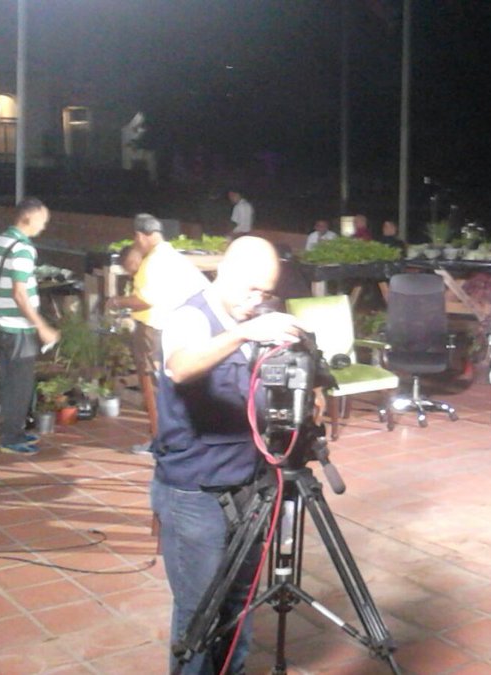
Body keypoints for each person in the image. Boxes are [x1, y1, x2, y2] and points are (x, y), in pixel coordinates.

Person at [152, 236, 304, 675]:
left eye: (265, 292)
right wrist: (241, 334)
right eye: (250, 289)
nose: (256, 301)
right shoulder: (190, 316)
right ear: (225, 271)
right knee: (200, 610)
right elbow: (180, 366)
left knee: (240, 600)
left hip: (249, 484)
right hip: (196, 491)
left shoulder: (256, 320)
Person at [107, 214, 210, 455]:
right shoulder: (172, 256)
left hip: (155, 330)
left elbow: (145, 300)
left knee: (154, 387)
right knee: (174, 387)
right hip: (182, 330)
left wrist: (116, 301)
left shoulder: (153, 261)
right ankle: (178, 437)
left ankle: (160, 441)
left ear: (139, 236)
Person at [0, 198, 60, 455]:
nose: (44, 225)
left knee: (11, 381)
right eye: (43, 220)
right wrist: (41, 326)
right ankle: (11, 438)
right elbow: (20, 294)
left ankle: (14, 432)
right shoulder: (23, 248)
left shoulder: (0, 241)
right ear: (28, 218)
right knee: (19, 385)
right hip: (18, 327)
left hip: (2, 323)